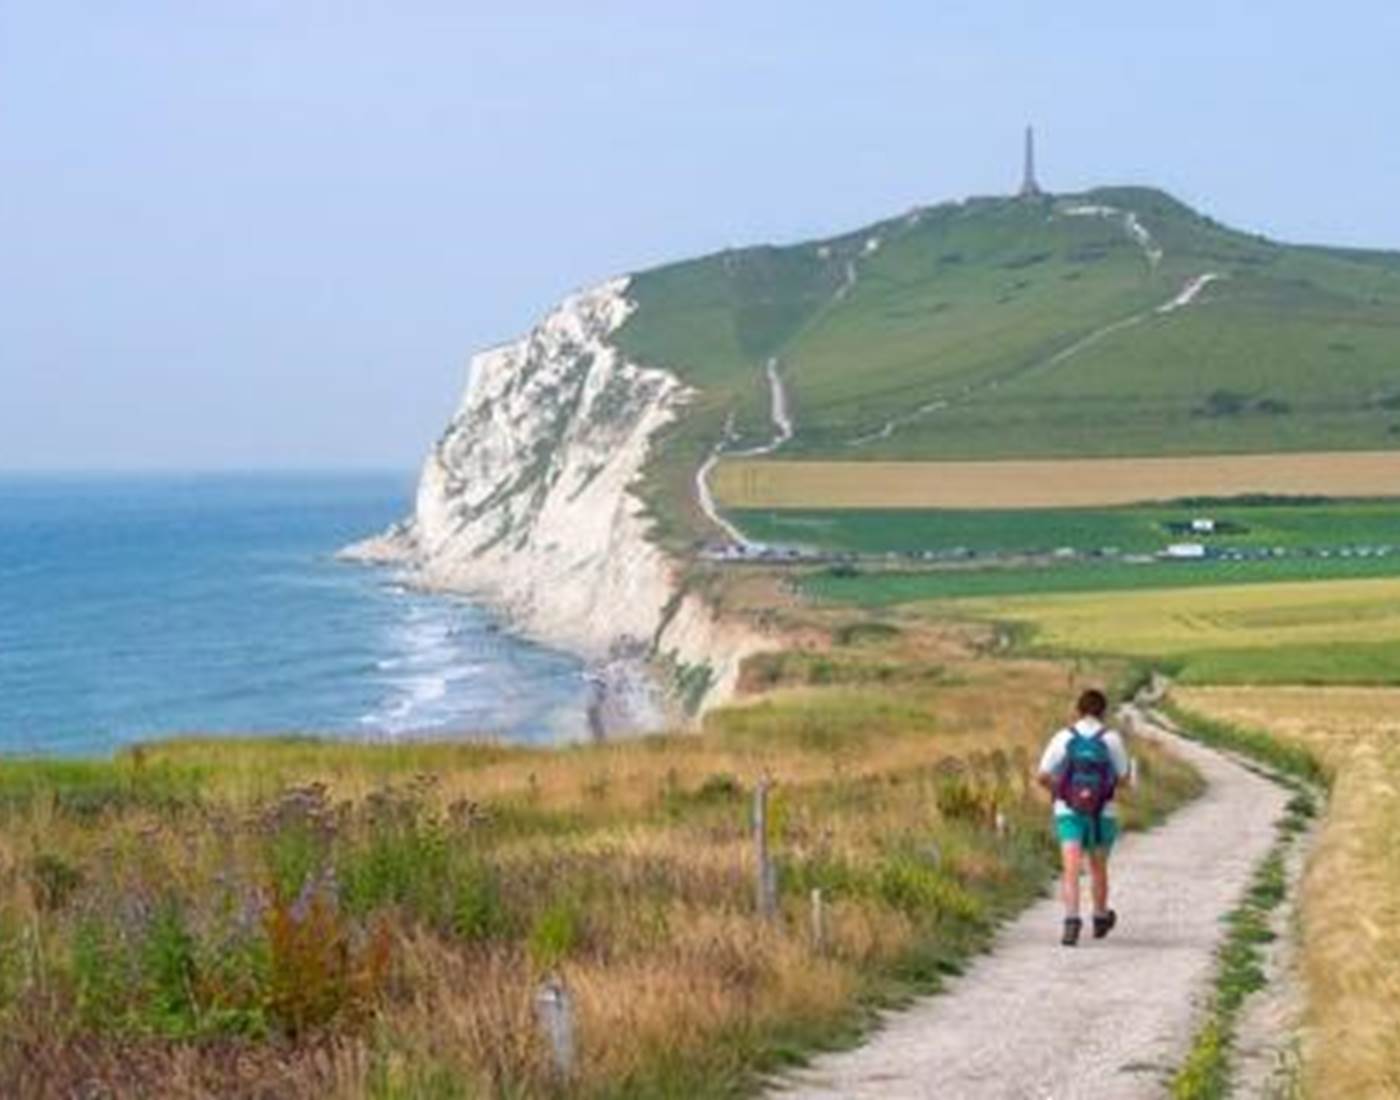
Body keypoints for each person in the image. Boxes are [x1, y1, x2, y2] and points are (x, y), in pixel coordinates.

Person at [1037, 688, 1132, 946]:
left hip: (1068, 811)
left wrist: (1063, 793)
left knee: (1071, 868)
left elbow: (1042, 775)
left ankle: (1071, 923)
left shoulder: (1063, 737)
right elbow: (1124, 778)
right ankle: (1100, 917)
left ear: (1077, 710)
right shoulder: (1111, 739)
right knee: (1098, 867)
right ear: (1104, 711)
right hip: (1104, 813)